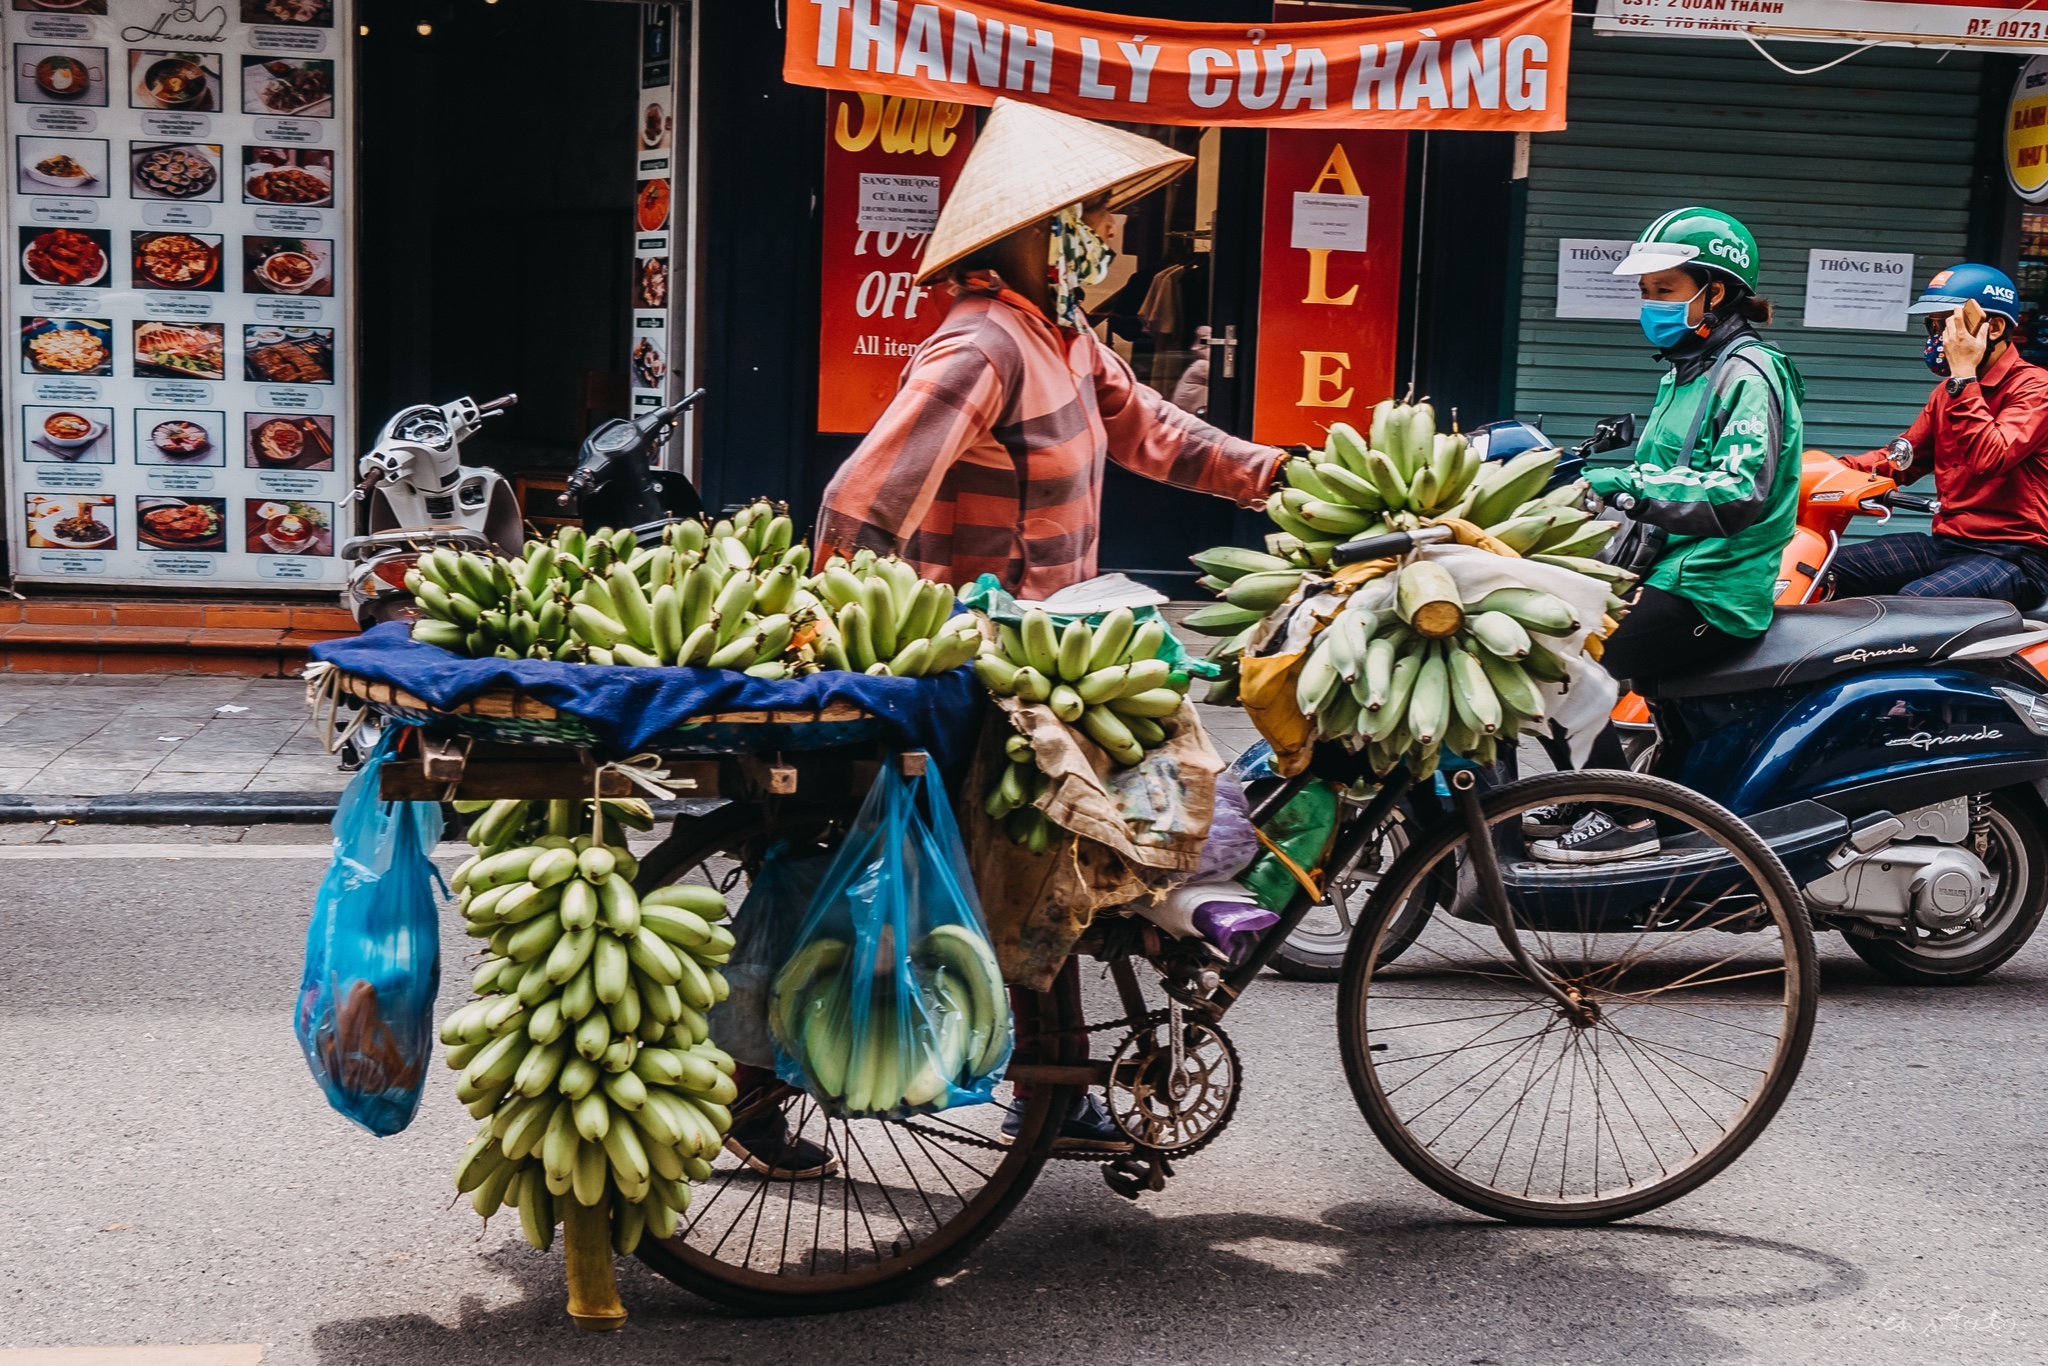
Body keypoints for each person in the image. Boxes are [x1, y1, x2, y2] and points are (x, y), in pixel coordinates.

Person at [815, 98, 1284, 597]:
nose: (1112, 226)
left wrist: (1272, 475)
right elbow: (863, 501)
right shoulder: (981, 349)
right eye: (1103, 208)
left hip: (1050, 632)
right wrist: (842, 624)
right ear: (1050, 224)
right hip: (976, 641)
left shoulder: (1065, 329)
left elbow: (1145, 424)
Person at [1527, 206, 1806, 864]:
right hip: (1668, 574)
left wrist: (1632, 487)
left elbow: (1740, 490)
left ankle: (1622, 818)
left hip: (1713, 588)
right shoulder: (1685, 373)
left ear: (1715, 292)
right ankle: (1588, 785)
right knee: (1529, 634)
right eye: (1645, 292)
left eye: (1665, 290)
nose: (1649, 304)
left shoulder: (1750, 375)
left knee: (1563, 668)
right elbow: (1659, 470)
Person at [1826, 264, 2048, 606]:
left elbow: (1989, 458)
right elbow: (1902, 459)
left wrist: (1963, 377)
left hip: (2016, 556)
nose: (1937, 339)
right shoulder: (1950, 392)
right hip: (1949, 543)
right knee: (1826, 570)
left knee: (1914, 603)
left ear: (1995, 328)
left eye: (1946, 325)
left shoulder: (2035, 389)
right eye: (1931, 326)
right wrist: (1826, 472)